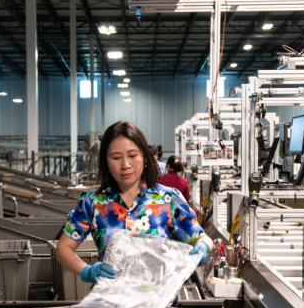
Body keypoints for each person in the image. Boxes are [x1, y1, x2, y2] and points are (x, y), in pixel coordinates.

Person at [56, 121, 213, 283]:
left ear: (144, 158)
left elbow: (202, 238)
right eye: (116, 158)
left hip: (157, 302)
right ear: (106, 163)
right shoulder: (93, 201)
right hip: (109, 301)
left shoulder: (169, 198)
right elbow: (63, 248)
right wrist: (87, 270)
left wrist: (203, 247)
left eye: (132, 156)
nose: (125, 165)